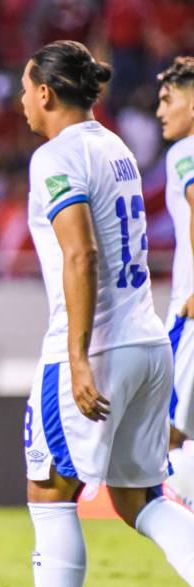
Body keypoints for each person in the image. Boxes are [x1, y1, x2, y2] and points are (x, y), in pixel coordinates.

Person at [0, 41, 194, 587]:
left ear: (46, 92)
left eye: (25, 88)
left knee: (50, 492)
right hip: (148, 341)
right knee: (137, 498)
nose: (21, 100)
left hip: (96, 346)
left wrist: (75, 357)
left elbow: (80, 255)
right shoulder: (116, 148)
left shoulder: (57, 154)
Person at [156, 57, 194, 510]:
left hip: (189, 312)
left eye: (169, 100)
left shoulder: (186, 151)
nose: (161, 111)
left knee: (162, 431)